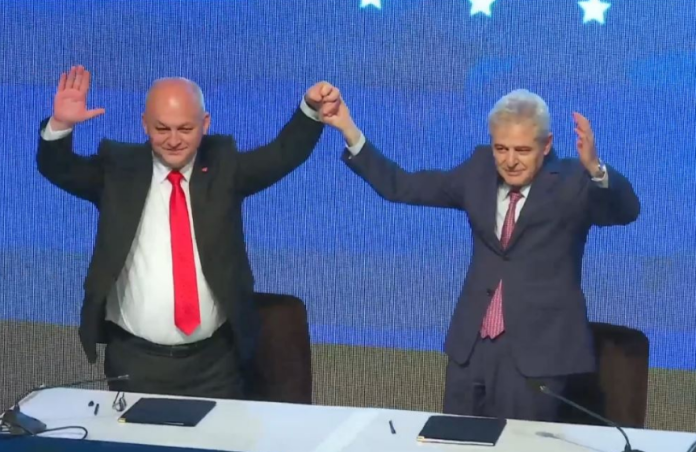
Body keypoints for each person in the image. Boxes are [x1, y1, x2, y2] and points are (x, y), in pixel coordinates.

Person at [319, 89, 640, 421]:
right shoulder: (478, 170)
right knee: (456, 440)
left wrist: (596, 169)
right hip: (471, 350)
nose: (510, 161)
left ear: (546, 145)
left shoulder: (573, 181)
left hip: (537, 354)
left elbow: (626, 211)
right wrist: (349, 130)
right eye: (501, 148)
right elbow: (402, 186)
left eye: (522, 150)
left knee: (520, 444)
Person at [37, 65, 340, 399]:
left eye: (185, 128)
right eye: (161, 128)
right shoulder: (118, 170)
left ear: (205, 124)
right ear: (144, 124)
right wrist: (61, 125)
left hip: (215, 364)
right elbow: (60, 169)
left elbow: (282, 155)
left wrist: (310, 110)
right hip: (136, 361)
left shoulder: (224, 168)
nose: (173, 140)